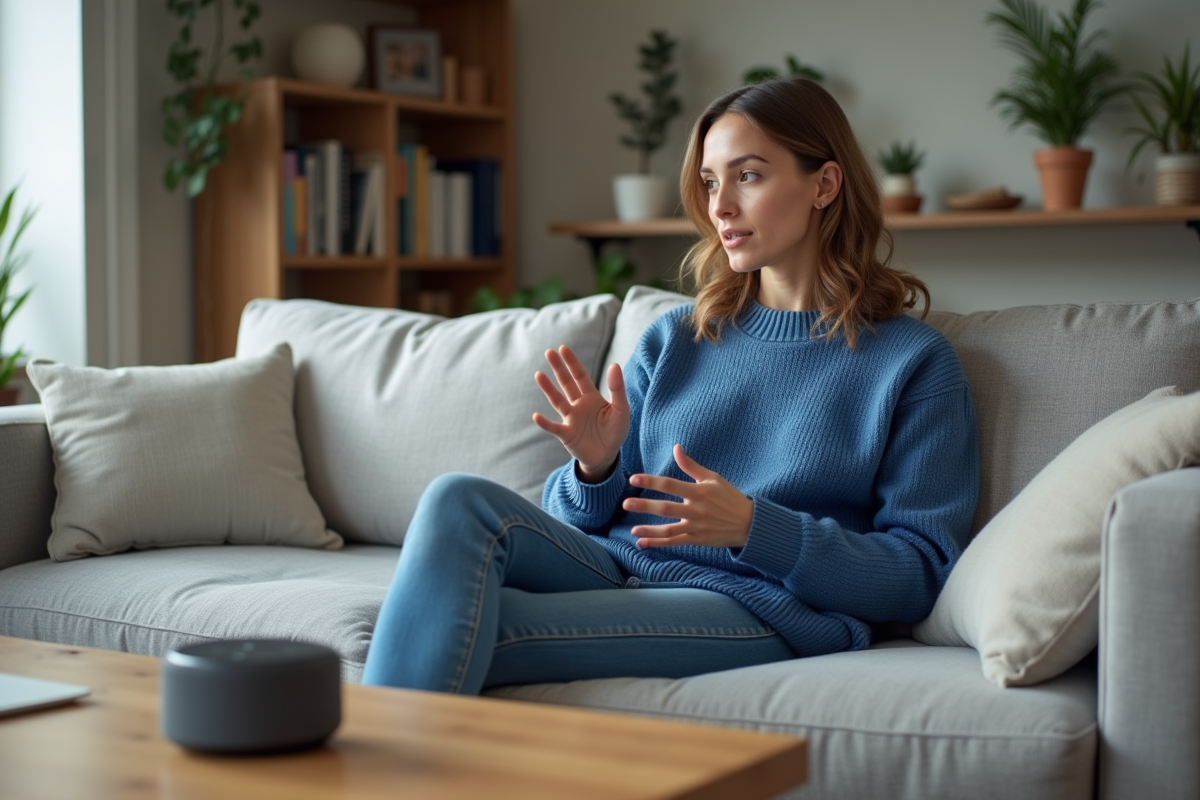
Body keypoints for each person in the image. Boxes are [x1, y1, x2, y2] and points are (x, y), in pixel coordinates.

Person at [362, 78, 979, 695]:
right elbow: (575, 519)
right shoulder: (676, 338)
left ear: (824, 184)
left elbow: (920, 571)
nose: (721, 207)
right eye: (712, 182)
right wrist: (596, 467)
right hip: (618, 566)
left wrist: (753, 527)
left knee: (461, 627)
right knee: (457, 500)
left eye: (749, 176)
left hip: (757, 606)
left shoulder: (912, 363)